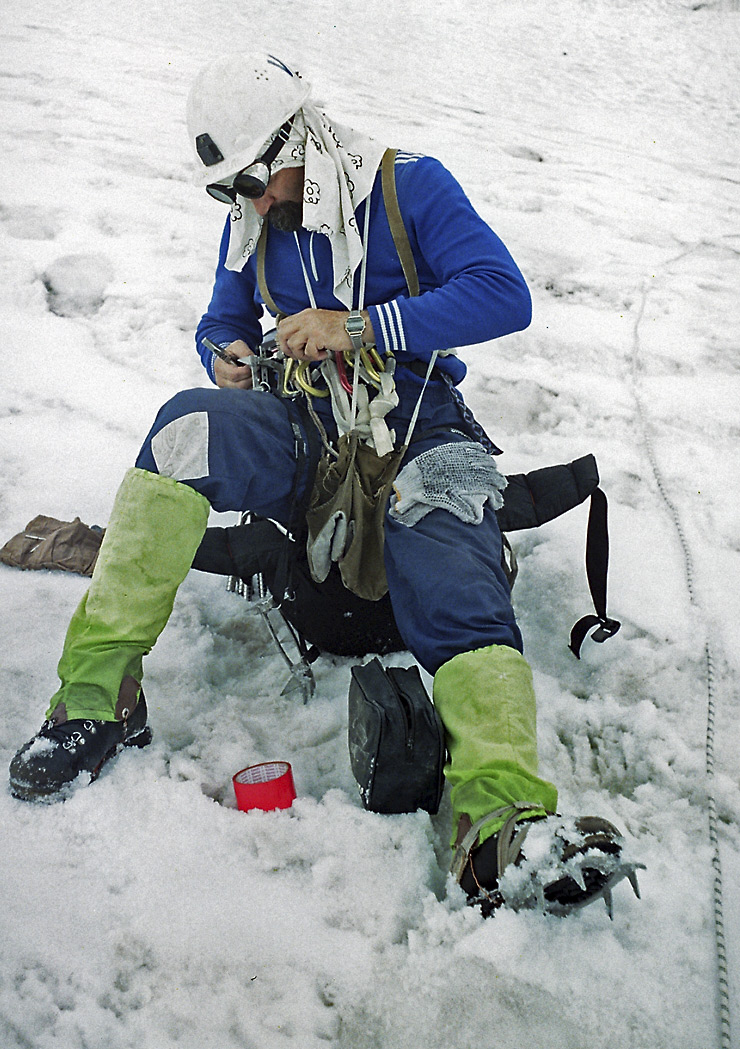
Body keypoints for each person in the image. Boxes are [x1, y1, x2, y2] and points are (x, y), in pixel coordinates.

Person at [9, 52, 641, 917]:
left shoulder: (405, 188)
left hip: (418, 419)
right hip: (304, 424)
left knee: (451, 551)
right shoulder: (252, 216)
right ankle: (97, 698)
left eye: (260, 179)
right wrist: (222, 357)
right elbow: (222, 318)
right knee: (184, 426)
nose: (254, 202)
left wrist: (362, 326)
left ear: (300, 136)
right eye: (231, 189)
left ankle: (498, 819)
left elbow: (504, 294)